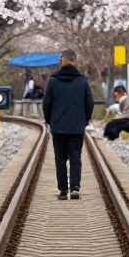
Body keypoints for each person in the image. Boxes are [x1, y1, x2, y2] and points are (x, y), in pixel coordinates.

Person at [41, 49, 94, 199]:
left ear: (61, 60)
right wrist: (84, 120)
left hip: (58, 127)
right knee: (76, 157)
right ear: (74, 60)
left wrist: (49, 120)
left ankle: (63, 190)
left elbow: (46, 103)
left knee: (60, 159)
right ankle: (75, 188)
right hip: (77, 127)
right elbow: (90, 103)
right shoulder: (82, 81)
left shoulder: (53, 81)